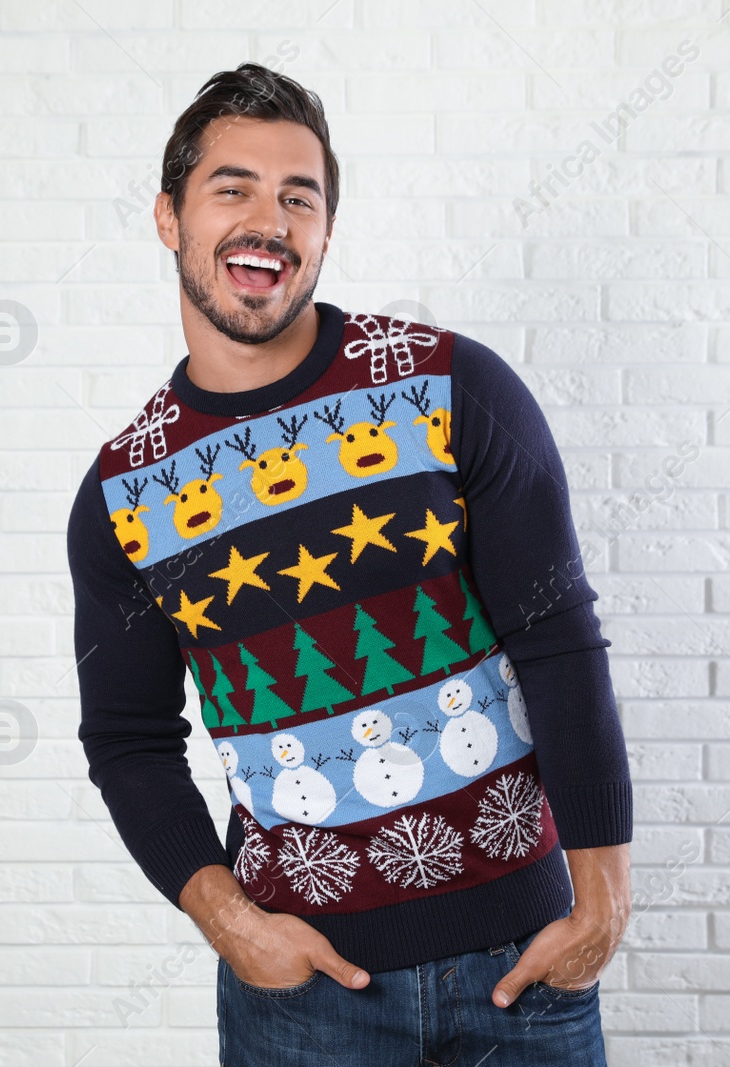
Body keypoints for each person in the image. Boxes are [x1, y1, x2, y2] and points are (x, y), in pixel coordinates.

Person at [66, 62, 633, 1066]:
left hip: (526, 970)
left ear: (324, 229)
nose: (268, 219)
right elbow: (128, 738)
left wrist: (602, 899)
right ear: (169, 217)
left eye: (299, 196)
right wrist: (229, 922)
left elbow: (556, 637)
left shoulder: (447, 388)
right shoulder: (124, 493)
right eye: (231, 188)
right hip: (302, 1001)